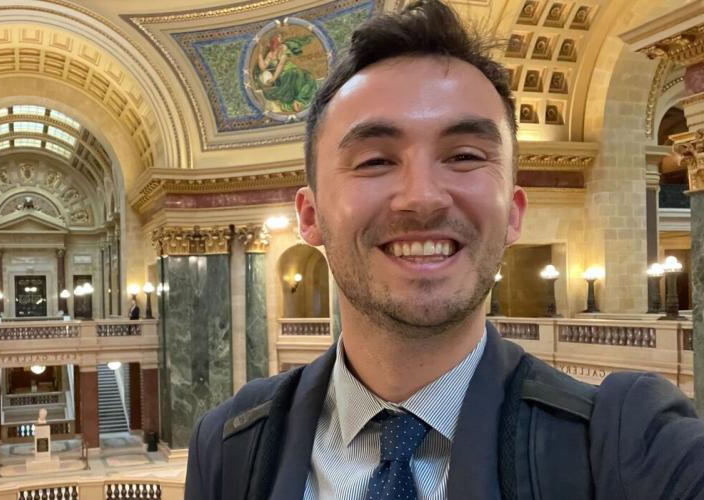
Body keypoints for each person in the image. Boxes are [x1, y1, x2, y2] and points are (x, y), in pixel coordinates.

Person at [185, 1, 704, 499]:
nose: (423, 197)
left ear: (513, 213)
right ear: (310, 216)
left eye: (463, 155)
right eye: (374, 161)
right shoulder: (230, 446)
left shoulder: (632, 444)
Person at [254, 32, 319, 113]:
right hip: (281, 76)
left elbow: (281, 65)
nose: (280, 41)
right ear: (273, 41)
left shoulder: (283, 48)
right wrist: (260, 54)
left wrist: (274, 78)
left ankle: (298, 101)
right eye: (278, 38)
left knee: (305, 77)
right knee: (288, 82)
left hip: (290, 71)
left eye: (280, 39)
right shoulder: (270, 54)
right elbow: (263, 67)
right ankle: (295, 103)